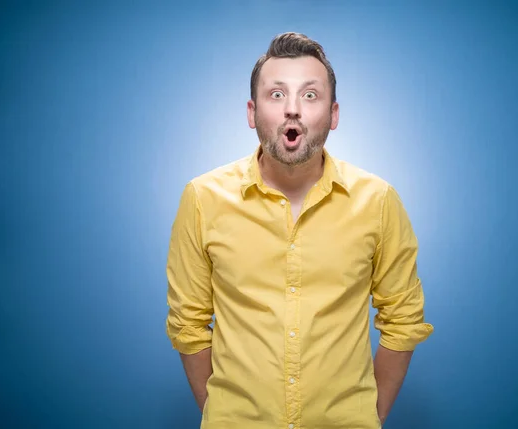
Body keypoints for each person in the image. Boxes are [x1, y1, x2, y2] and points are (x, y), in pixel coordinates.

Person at [165, 32, 434, 429]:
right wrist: (224, 413)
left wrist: (365, 416)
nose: (293, 109)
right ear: (252, 113)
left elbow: (403, 319)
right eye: (277, 95)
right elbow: (187, 323)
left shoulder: (378, 201)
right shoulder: (202, 199)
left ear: (334, 114)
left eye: (310, 95)